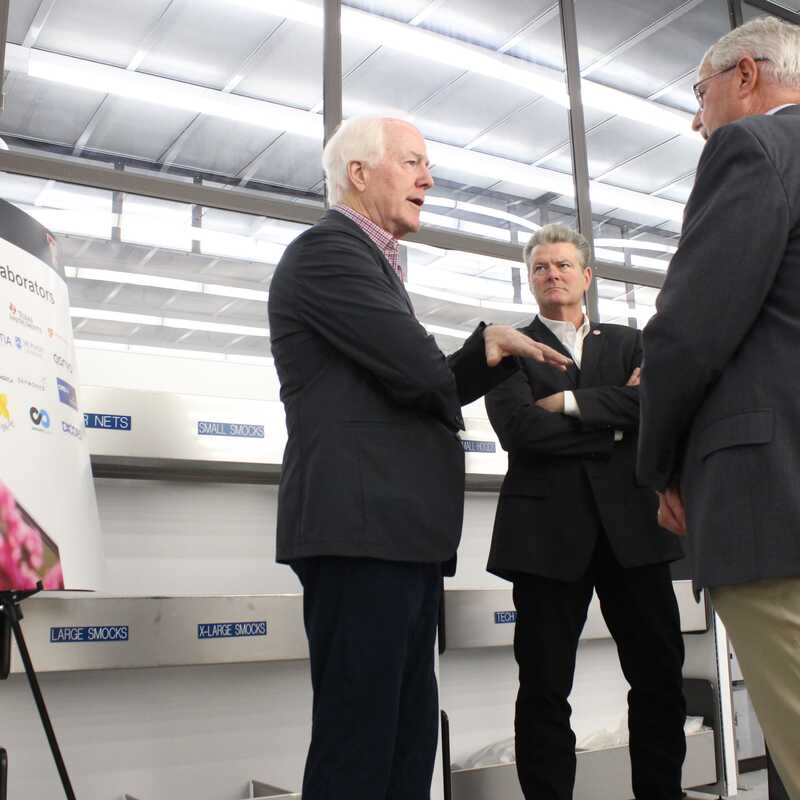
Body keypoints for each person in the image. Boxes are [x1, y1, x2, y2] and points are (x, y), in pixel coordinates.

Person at [267, 115, 570, 800]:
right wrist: (484, 345)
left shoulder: (374, 264)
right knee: (362, 742)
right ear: (358, 173)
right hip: (361, 533)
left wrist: (485, 351)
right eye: (412, 162)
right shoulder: (329, 253)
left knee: (406, 738)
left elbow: (424, 381)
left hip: (395, 539)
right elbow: (422, 376)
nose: (428, 178)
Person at [637, 16, 800, 797]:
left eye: (699, 96)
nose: (697, 121)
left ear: (744, 76)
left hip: (776, 507)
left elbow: (687, 334)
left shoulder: (756, 148)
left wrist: (661, 466)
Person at [484, 223, 686, 800]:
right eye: (542, 267)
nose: (553, 274)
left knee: (658, 680)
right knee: (544, 688)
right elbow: (520, 431)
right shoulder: (507, 347)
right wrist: (616, 428)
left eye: (564, 265)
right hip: (545, 540)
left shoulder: (632, 342)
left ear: (587, 276)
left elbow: (655, 404)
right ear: (530, 280)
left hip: (634, 535)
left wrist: (571, 403)